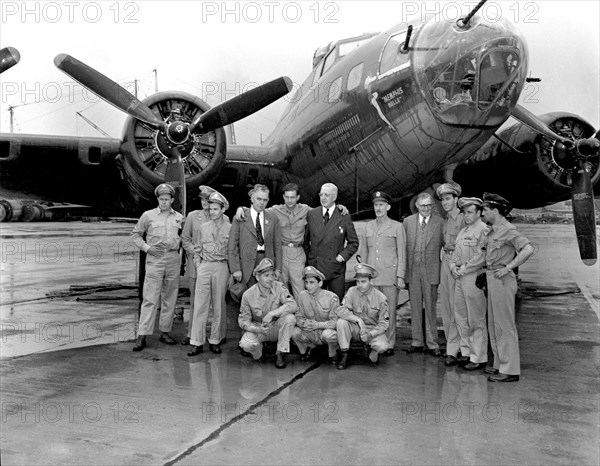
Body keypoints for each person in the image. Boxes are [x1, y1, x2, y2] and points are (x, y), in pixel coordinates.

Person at [234, 183, 348, 299]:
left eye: (293, 197)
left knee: (299, 288)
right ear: (283, 197)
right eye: (287, 197)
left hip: (298, 253)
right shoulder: (275, 210)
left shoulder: (306, 210)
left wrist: (339, 207)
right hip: (282, 252)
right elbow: (258, 209)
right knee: (281, 287)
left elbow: (325, 210)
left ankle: (301, 314)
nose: (289, 200)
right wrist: (241, 209)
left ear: (298, 197)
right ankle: (284, 314)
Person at [481, 193, 534, 382]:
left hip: (503, 280)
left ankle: (510, 370)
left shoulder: (508, 230)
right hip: (492, 278)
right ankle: (499, 364)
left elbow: (528, 249)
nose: (483, 213)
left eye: (486, 210)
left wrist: (509, 267)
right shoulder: (492, 230)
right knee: (494, 325)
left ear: (495, 211)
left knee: (505, 325)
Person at [131, 183, 185, 351]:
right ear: (158, 199)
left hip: (173, 258)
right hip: (155, 257)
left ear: (172, 200)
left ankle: (165, 332)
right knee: (150, 297)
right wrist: (148, 248)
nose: (163, 202)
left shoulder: (179, 218)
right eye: (161, 199)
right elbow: (136, 235)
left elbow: (186, 236)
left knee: (170, 297)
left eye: (167, 199)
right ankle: (142, 335)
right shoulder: (148, 216)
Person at [358, 190, 406, 355]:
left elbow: (402, 253)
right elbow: (364, 253)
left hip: (389, 277)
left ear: (388, 207)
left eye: (381, 205)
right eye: (376, 205)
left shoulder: (397, 227)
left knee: (390, 311)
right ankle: (373, 340)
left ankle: (390, 343)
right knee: (371, 312)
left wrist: (400, 276)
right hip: (372, 278)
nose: (378, 208)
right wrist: (363, 276)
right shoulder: (367, 227)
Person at [180, 186, 230, 346]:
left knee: (219, 305)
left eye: (208, 202)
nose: (206, 204)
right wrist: (197, 261)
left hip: (220, 266)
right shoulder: (194, 218)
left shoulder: (227, 223)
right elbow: (186, 239)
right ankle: (194, 337)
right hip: (201, 266)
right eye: (203, 200)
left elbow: (232, 249)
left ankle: (217, 338)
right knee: (197, 304)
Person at [449, 197, 488, 370]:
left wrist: (463, 268)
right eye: (464, 212)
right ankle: (466, 352)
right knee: (461, 316)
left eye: (470, 212)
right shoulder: (463, 231)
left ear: (479, 213)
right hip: (459, 277)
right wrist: (452, 265)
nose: (466, 215)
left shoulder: (484, 231)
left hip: (473, 278)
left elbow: (481, 256)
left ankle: (478, 357)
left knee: (476, 319)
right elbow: (455, 253)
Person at [238, 258, 298, 369]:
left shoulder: (279, 287)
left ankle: (280, 352)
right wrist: (258, 329)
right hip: (259, 328)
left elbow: (293, 305)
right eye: (266, 276)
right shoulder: (248, 295)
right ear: (257, 277)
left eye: (272, 275)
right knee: (246, 344)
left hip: (275, 327)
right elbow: (243, 321)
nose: (270, 279)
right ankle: (258, 354)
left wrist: (273, 313)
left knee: (290, 318)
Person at [404, 192, 444, 356]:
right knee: (414, 306)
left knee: (430, 307)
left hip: (431, 270)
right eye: (423, 205)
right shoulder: (407, 222)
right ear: (417, 206)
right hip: (413, 270)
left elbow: (447, 244)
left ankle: (432, 343)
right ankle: (417, 341)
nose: (426, 208)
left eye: (429, 205)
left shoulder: (440, 222)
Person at [304, 183, 359, 301]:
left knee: (336, 304)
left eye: (326, 195)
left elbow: (354, 243)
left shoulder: (343, 216)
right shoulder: (312, 214)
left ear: (334, 197)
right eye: (321, 194)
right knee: (317, 304)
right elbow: (306, 240)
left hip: (336, 269)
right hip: (316, 268)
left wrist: (341, 257)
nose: (323, 198)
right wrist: (311, 258)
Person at [335, 263, 390, 369]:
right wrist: (358, 319)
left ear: (371, 281)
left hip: (372, 330)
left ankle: (371, 350)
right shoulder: (352, 291)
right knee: (341, 322)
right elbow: (341, 310)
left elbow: (384, 324)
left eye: (363, 281)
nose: (360, 285)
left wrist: (370, 334)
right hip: (356, 327)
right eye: (358, 281)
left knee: (382, 346)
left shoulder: (381, 298)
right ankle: (344, 354)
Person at [228, 184, 282, 289]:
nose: (262, 202)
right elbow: (232, 245)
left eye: (265, 200)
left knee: (266, 298)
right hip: (245, 264)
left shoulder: (273, 219)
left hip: (266, 262)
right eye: (259, 199)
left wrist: (278, 269)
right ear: (252, 198)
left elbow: (278, 246)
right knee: (246, 297)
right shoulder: (240, 217)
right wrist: (235, 269)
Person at [436, 182, 466, 366]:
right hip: (445, 263)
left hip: (459, 263)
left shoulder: (463, 219)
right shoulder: (445, 220)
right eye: (443, 200)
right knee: (446, 306)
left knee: (459, 307)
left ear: (456, 199)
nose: (445, 203)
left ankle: (463, 348)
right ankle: (451, 348)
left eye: (448, 199)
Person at [291, 266, 339, 362]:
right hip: (310, 331)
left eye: (312, 282)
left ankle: (333, 352)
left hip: (324, 331)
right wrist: (304, 324)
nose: (308, 286)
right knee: (293, 332)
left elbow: (335, 322)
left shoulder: (331, 297)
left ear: (320, 283)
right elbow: (298, 316)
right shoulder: (302, 296)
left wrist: (317, 325)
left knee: (328, 336)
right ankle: (306, 349)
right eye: (306, 282)